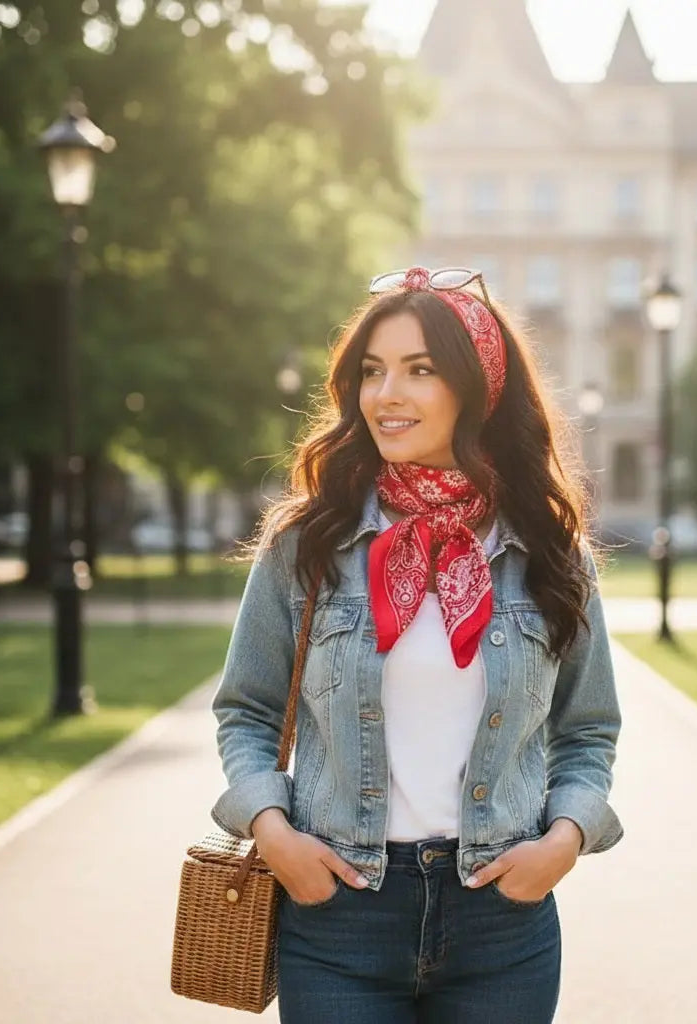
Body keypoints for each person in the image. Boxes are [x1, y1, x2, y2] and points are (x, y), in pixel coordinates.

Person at [210, 266, 623, 1024]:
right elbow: (246, 711)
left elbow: (588, 728)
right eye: (372, 372)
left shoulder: (553, 554)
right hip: (339, 912)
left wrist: (563, 841)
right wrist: (275, 837)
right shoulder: (308, 543)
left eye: (418, 370)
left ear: (477, 388)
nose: (385, 395)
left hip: (502, 922)